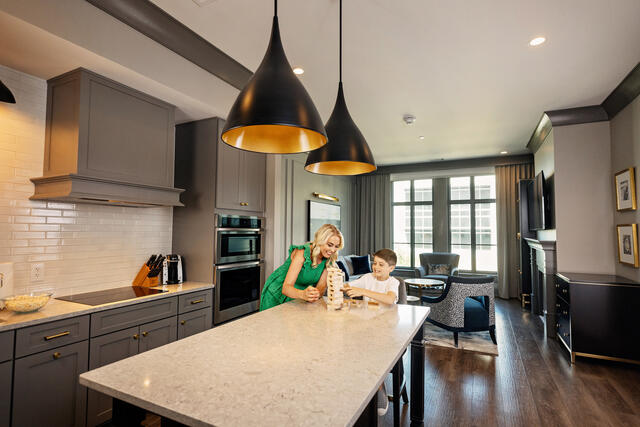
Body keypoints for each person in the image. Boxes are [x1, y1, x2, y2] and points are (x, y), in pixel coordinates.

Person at [342, 248, 399, 416]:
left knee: (374, 349)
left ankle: (379, 386)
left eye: (381, 264)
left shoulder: (392, 282)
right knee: (350, 344)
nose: (376, 267)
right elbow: (347, 286)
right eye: (374, 263)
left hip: (386, 329)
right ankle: (360, 385)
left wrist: (363, 292)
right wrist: (337, 282)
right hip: (366, 327)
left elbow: (389, 300)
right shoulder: (367, 278)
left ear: (391, 268)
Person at [259, 224, 344, 311]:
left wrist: (313, 295)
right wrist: (303, 294)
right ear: (320, 241)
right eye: (330, 245)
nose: (333, 250)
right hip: (277, 293)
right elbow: (286, 288)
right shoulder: (302, 253)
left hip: (298, 298)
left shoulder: (329, 260)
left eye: (336, 246)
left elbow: (319, 290)